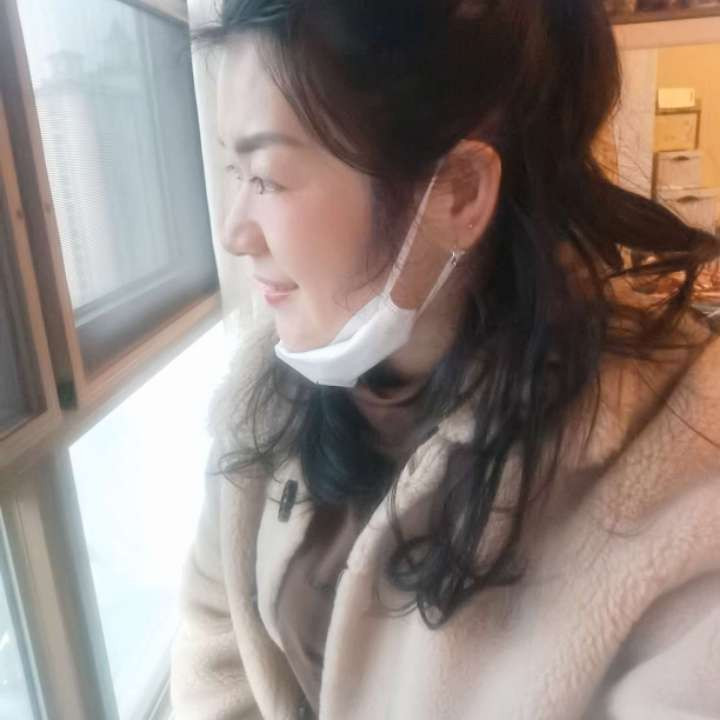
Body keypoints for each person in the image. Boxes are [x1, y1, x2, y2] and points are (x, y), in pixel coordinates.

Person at [170, 1, 720, 718]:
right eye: (231, 169)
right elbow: (216, 650)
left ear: (459, 193)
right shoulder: (266, 401)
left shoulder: (682, 485)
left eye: (267, 177)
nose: (234, 231)